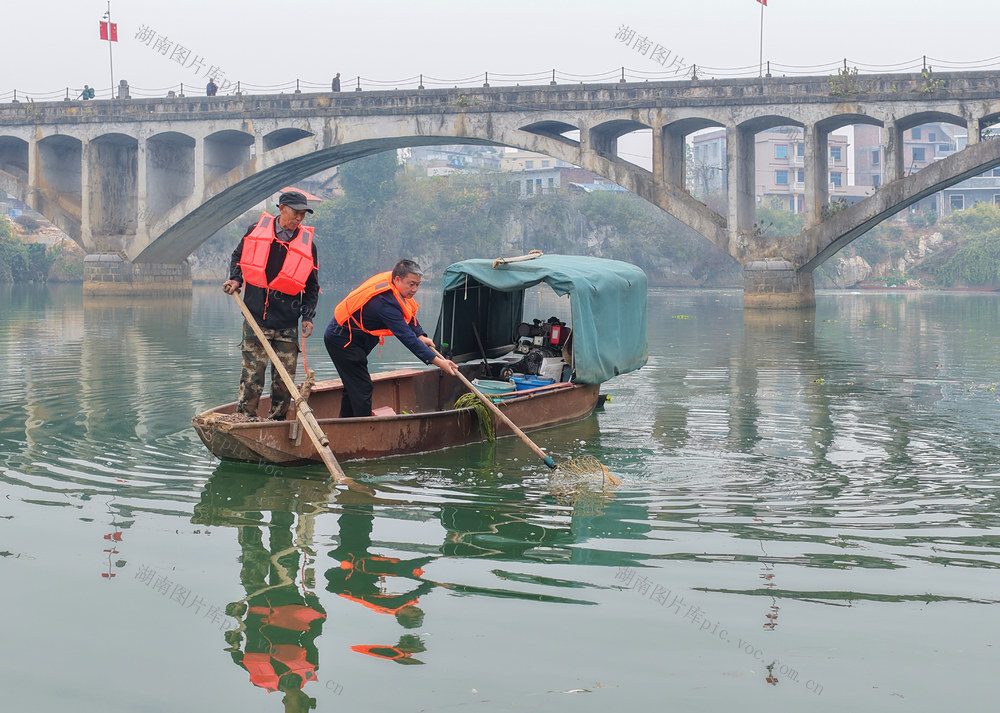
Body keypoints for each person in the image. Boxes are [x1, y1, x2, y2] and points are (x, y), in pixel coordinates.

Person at [222, 191, 320, 421]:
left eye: (303, 215)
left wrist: (307, 317)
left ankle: (277, 422)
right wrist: (236, 278)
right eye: (296, 213)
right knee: (252, 376)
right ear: (282, 208)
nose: (299, 219)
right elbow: (239, 257)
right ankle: (244, 420)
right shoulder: (256, 231)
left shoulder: (308, 245)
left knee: (284, 380)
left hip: (287, 322)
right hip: (256, 317)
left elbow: (312, 286)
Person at [324, 260, 458, 418]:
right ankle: (364, 428)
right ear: (397, 279)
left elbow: (408, 313)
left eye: (418, 284)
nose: (414, 289)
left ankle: (345, 423)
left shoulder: (397, 290)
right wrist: (439, 362)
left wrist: (420, 335)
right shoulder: (384, 303)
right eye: (411, 284)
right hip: (342, 340)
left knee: (353, 385)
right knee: (362, 387)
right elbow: (407, 338)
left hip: (357, 340)